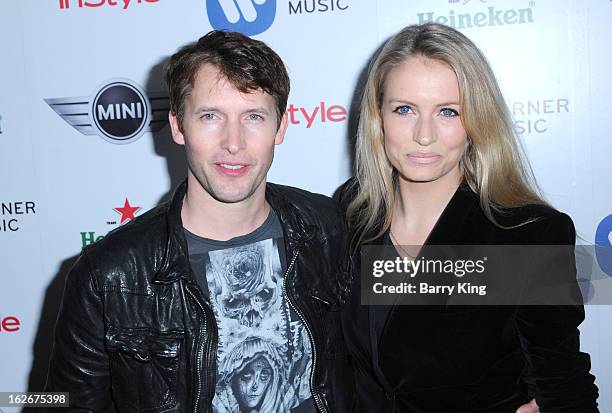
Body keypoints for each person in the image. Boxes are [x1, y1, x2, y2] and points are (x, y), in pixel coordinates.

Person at [45, 30, 350, 412]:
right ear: (177, 126)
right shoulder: (109, 276)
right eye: (210, 116)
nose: (233, 143)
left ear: (281, 126)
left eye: (253, 116)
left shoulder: (328, 228)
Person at [337, 23, 599, 412]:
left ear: (476, 121)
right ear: (378, 116)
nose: (424, 135)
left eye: (448, 111)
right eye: (404, 109)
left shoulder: (525, 235)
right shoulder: (352, 212)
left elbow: (563, 384)